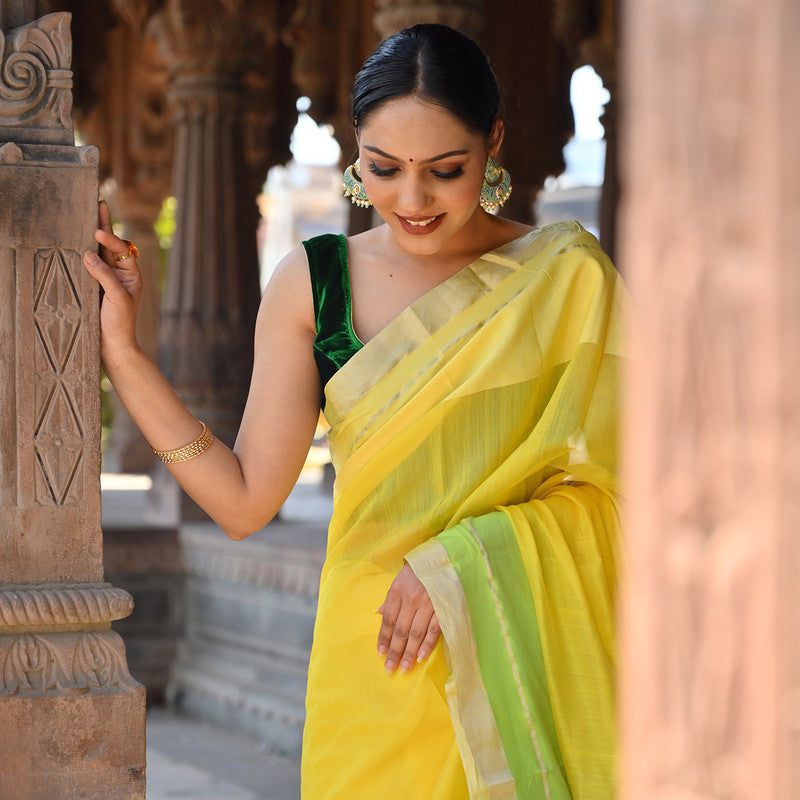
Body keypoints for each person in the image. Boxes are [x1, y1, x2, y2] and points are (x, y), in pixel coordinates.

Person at [84, 23, 623, 800]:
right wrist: (127, 358)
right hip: (375, 662)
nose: (412, 200)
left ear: (494, 142)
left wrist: (461, 560)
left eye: (446, 170)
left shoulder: (564, 280)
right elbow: (242, 502)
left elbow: (632, 493)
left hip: (514, 646)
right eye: (384, 168)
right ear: (355, 150)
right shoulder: (317, 281)